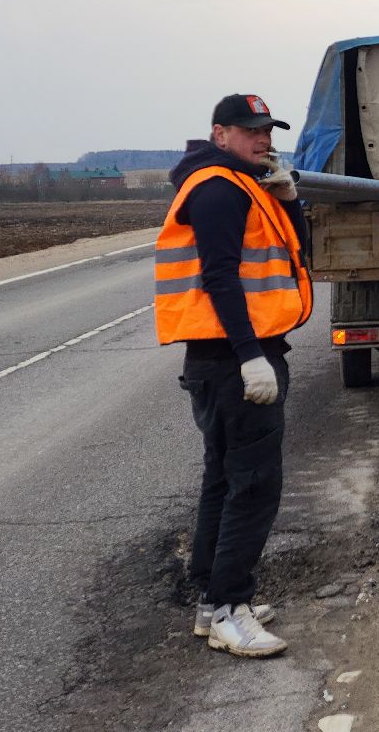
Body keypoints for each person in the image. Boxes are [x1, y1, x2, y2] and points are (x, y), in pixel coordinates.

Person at [154, 93, 313, 658]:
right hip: (234, 361)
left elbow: (296, 256)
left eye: (267, 130)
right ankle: (229, 608)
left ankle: (211, 600)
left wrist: (290, 201)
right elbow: (219, 276)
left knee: (224, 480)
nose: (263, 139)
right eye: (250, 131)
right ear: (220, 135)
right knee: (254, 485)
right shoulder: (219, 189)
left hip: (229, 359)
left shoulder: (246, 185)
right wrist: (250, 356)